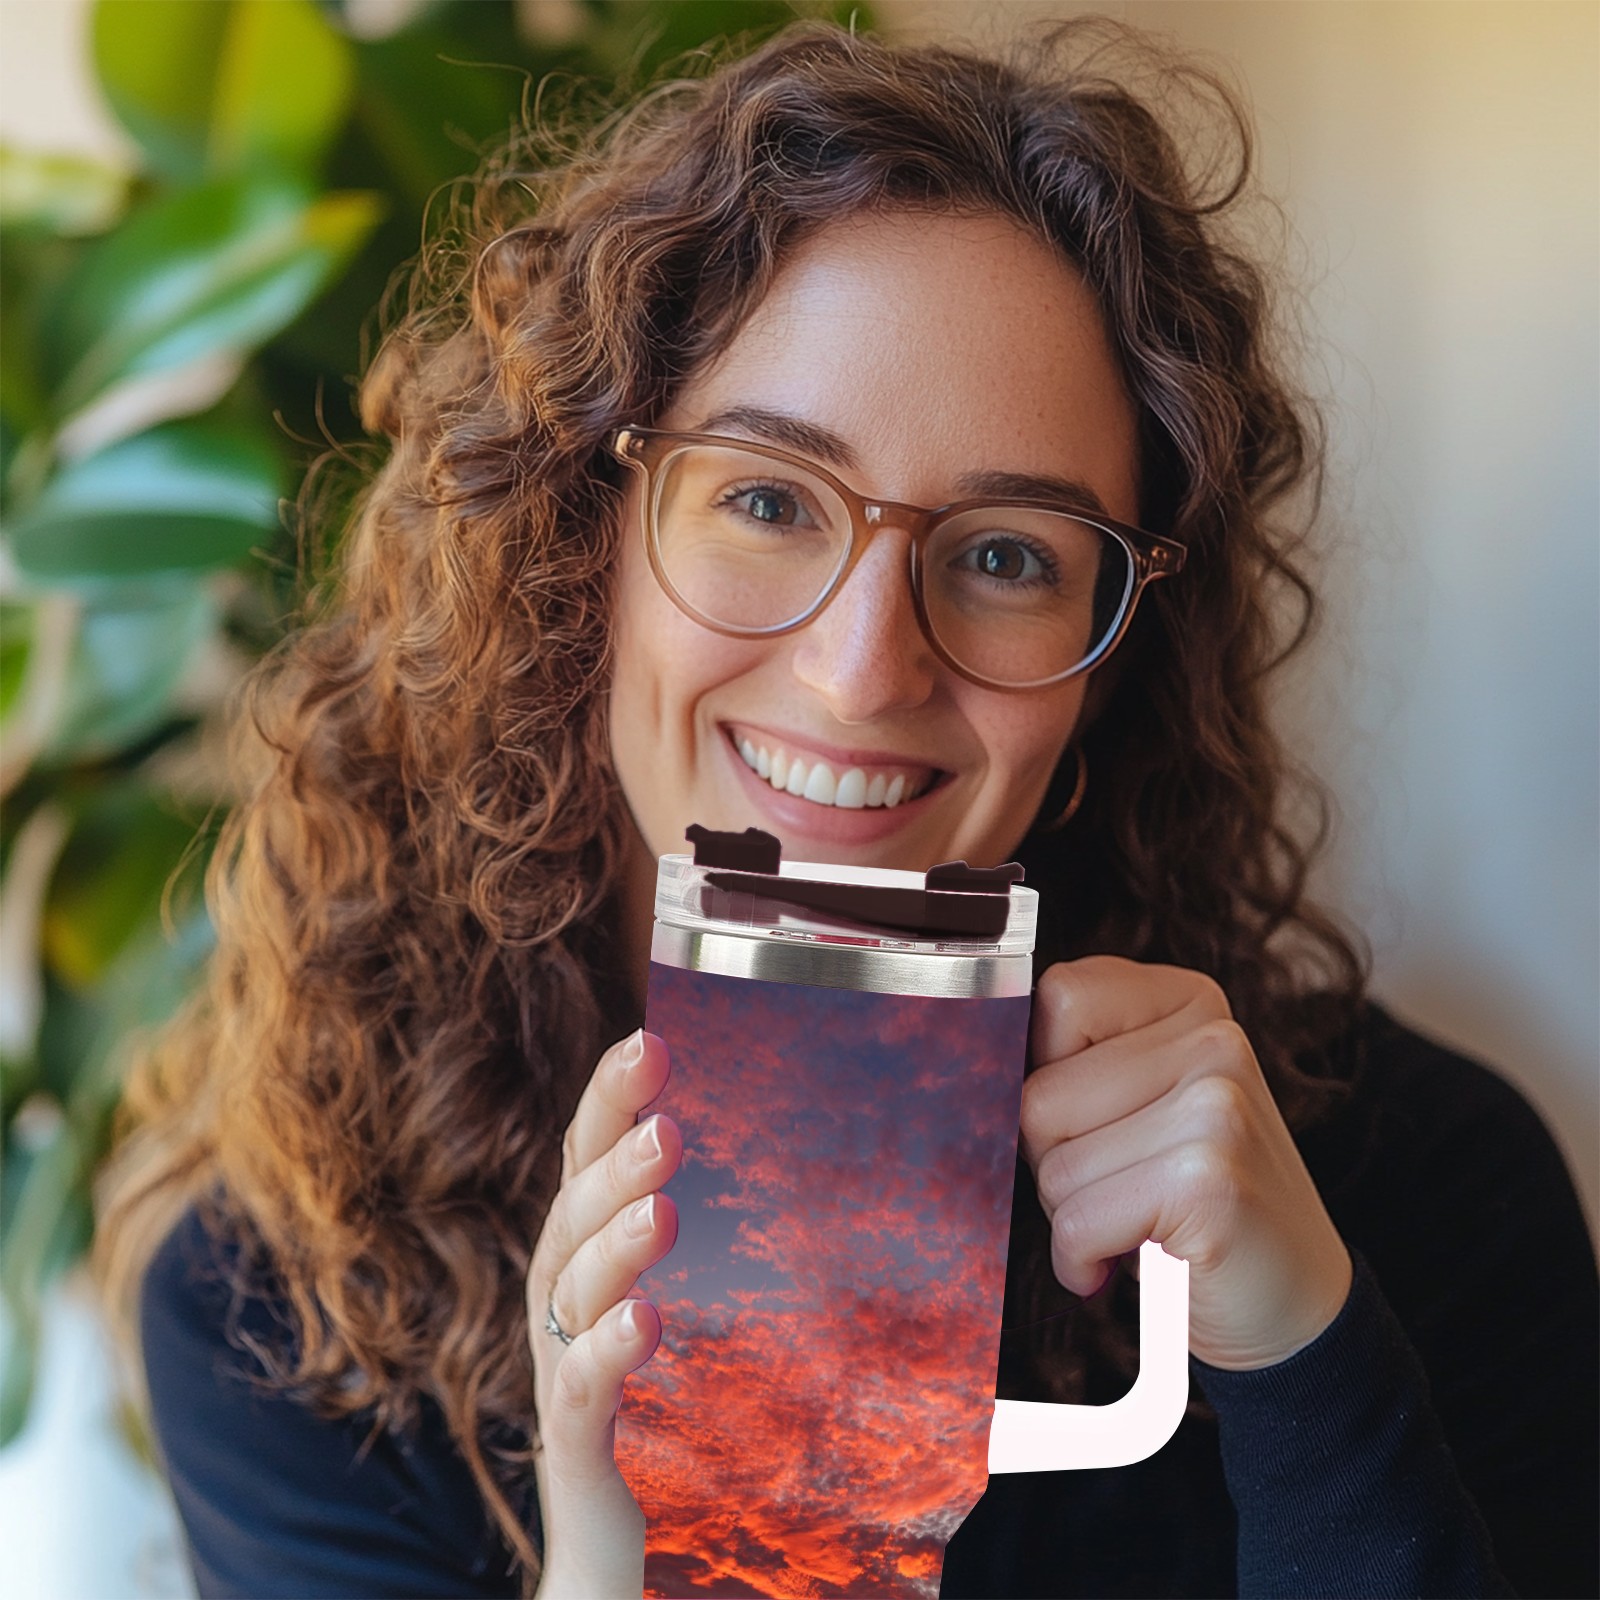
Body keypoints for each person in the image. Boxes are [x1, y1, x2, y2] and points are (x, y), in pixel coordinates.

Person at [96, 17, 1597, 1600]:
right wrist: (621, 1556)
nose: (864, 671)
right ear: (580, 548)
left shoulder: (1422, 1192)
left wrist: (1306, 1368)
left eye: (1007, 554)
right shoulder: (290, 1302)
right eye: (765, 499)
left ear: (1112, 663)